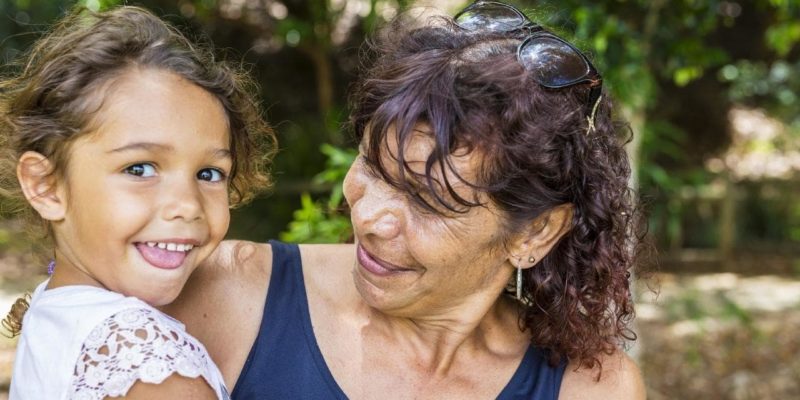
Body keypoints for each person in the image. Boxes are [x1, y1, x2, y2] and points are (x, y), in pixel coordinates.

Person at [166, 1, 646, 398]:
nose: (370, 219)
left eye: (427, 201)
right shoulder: (225, 296)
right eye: (372, 167)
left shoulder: (592, 388)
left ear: (535, 232)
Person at [0, 5, 275, 399]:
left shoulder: (55, 310)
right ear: (47, 186)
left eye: (209, 174)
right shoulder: (150, 368)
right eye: (140, 168)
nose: (188, 205)